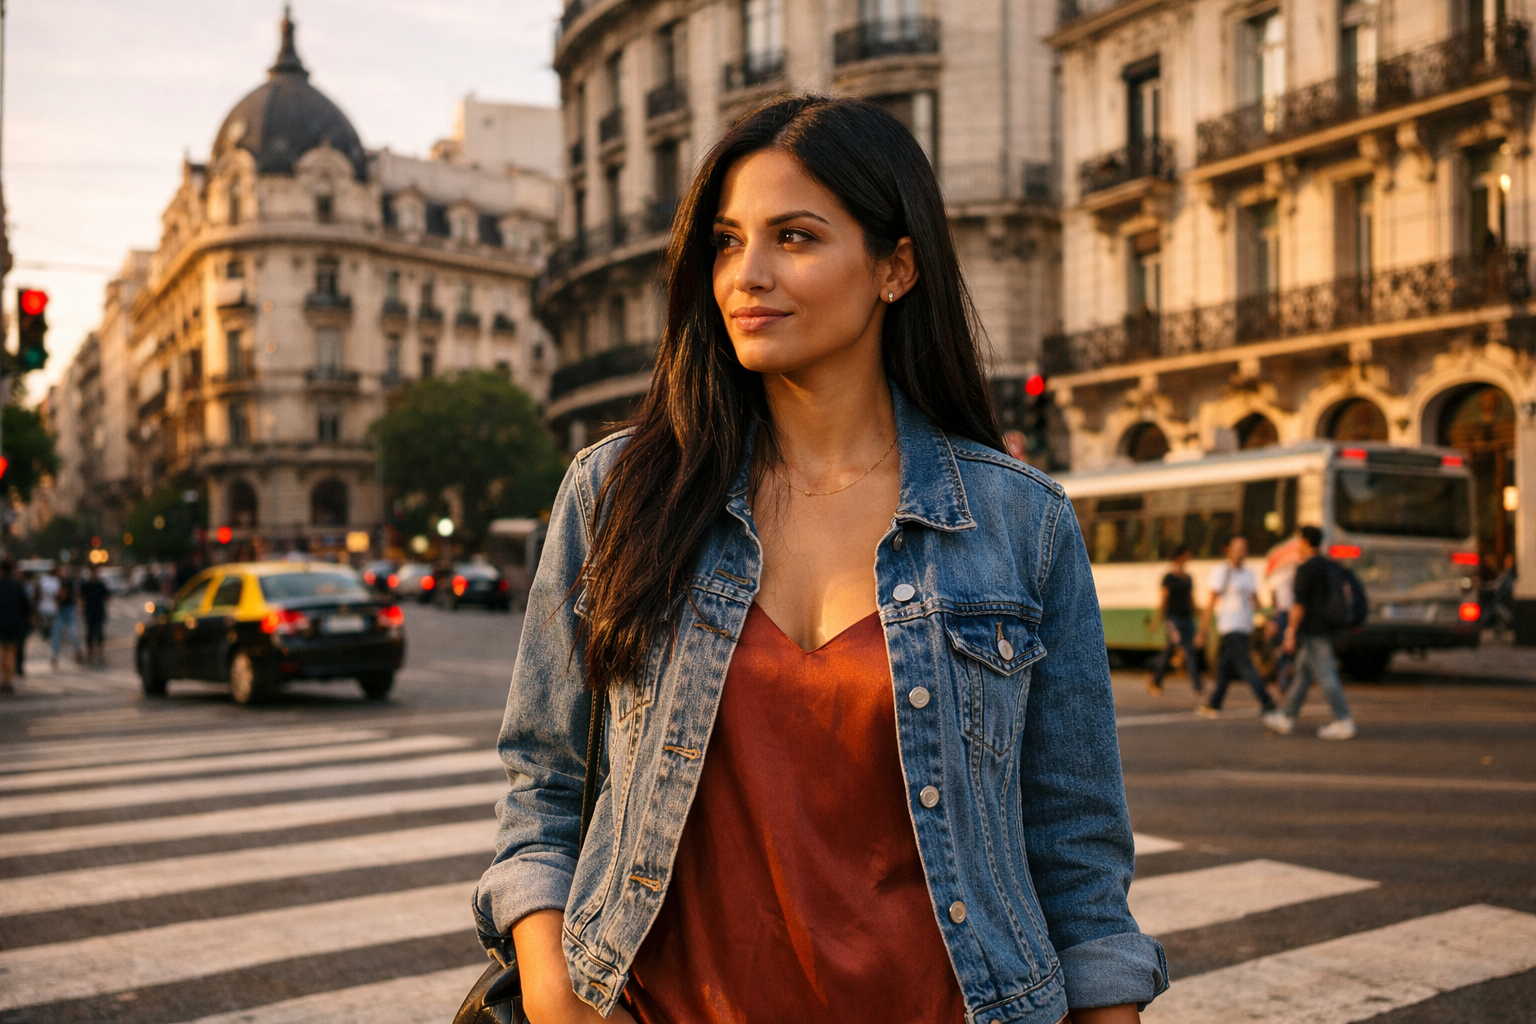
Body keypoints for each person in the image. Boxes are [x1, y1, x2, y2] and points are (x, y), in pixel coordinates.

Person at [474, 97, 1164, 1024]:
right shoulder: (616, 496)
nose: (746, 277)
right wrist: (556, 994)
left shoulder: (1019, 521)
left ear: (895, 266)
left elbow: (1077, 846)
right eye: (726, 242)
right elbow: (546, 782)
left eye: (794, 237)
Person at [1263, 526, 1357, 740]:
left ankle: (1343, 720)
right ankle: (1286, 717)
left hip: (1313, 629)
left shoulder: (1305, 569)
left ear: (1305, 542)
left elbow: (1299, 605)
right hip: (1330, 625)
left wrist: (1290, 633)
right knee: (1303, 674)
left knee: (1326, 674)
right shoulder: (1329, 566)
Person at [1197, 535, 1278, 719]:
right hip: (1229, 625)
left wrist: (1267, 619)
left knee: (1240, 665)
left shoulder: (1249, 573)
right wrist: (1203, 630)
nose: (1242, 552)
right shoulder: (1221, 572)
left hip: (1244, 626)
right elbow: (1211, 602)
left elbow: (1255, 600)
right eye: (1238, 548)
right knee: (1228, 666)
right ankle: (1216, 703)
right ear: (1230, 551)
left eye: (1244, 548)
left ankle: (1266, 702)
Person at [1147, 544, 1201, 695]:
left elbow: (1191, 600)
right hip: (1173, 619)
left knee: (1189, 650)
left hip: (1186, 618)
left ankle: (1197, 685)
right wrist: (1156, 621)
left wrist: (1199, 618)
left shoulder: (1188, 578)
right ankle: (1156, 680)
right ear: (1180, 556)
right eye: (1187, 554)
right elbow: (1164, 600)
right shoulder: (1169, 578)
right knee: (1170, 649)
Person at [0, 559, 29, 692]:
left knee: (1, 652)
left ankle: (3, 679)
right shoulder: (18, 585)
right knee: (11, 652)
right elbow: (25, 607)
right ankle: (8, 680)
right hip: (15, 623)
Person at [49, 565, 83, 670]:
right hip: (60, 610)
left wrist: (78, 606)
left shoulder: (71, 582)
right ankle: (54, 656)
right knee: (56, 634)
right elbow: (56, 596)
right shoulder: (56, 582)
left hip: (70, 609)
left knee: (73, 633)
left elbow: (75, 595)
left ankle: (77, 651)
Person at [80, 566, 110, 666]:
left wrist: (106, 607)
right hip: (89, 611)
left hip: (99, 611)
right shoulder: (87, 585)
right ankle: (90, 654)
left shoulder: (100, 584)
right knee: (89, 633)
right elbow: (81, 596)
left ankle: (100, 653)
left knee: (99, 633)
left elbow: (107, 596)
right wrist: (81, 608)